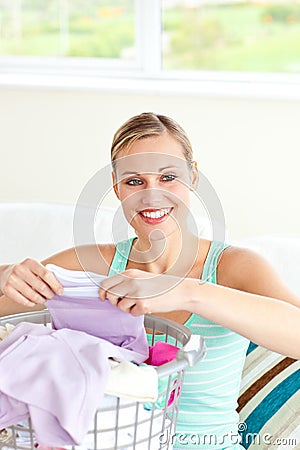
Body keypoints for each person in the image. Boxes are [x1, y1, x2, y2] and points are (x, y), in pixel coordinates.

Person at [0, 112, 299, 450]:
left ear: (193, 177)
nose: (152, 196)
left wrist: (188, 293)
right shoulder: (90, 264)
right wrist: (5, 275)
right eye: (134, 182)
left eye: (168, 177)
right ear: (116, 188)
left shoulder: (234, 267)